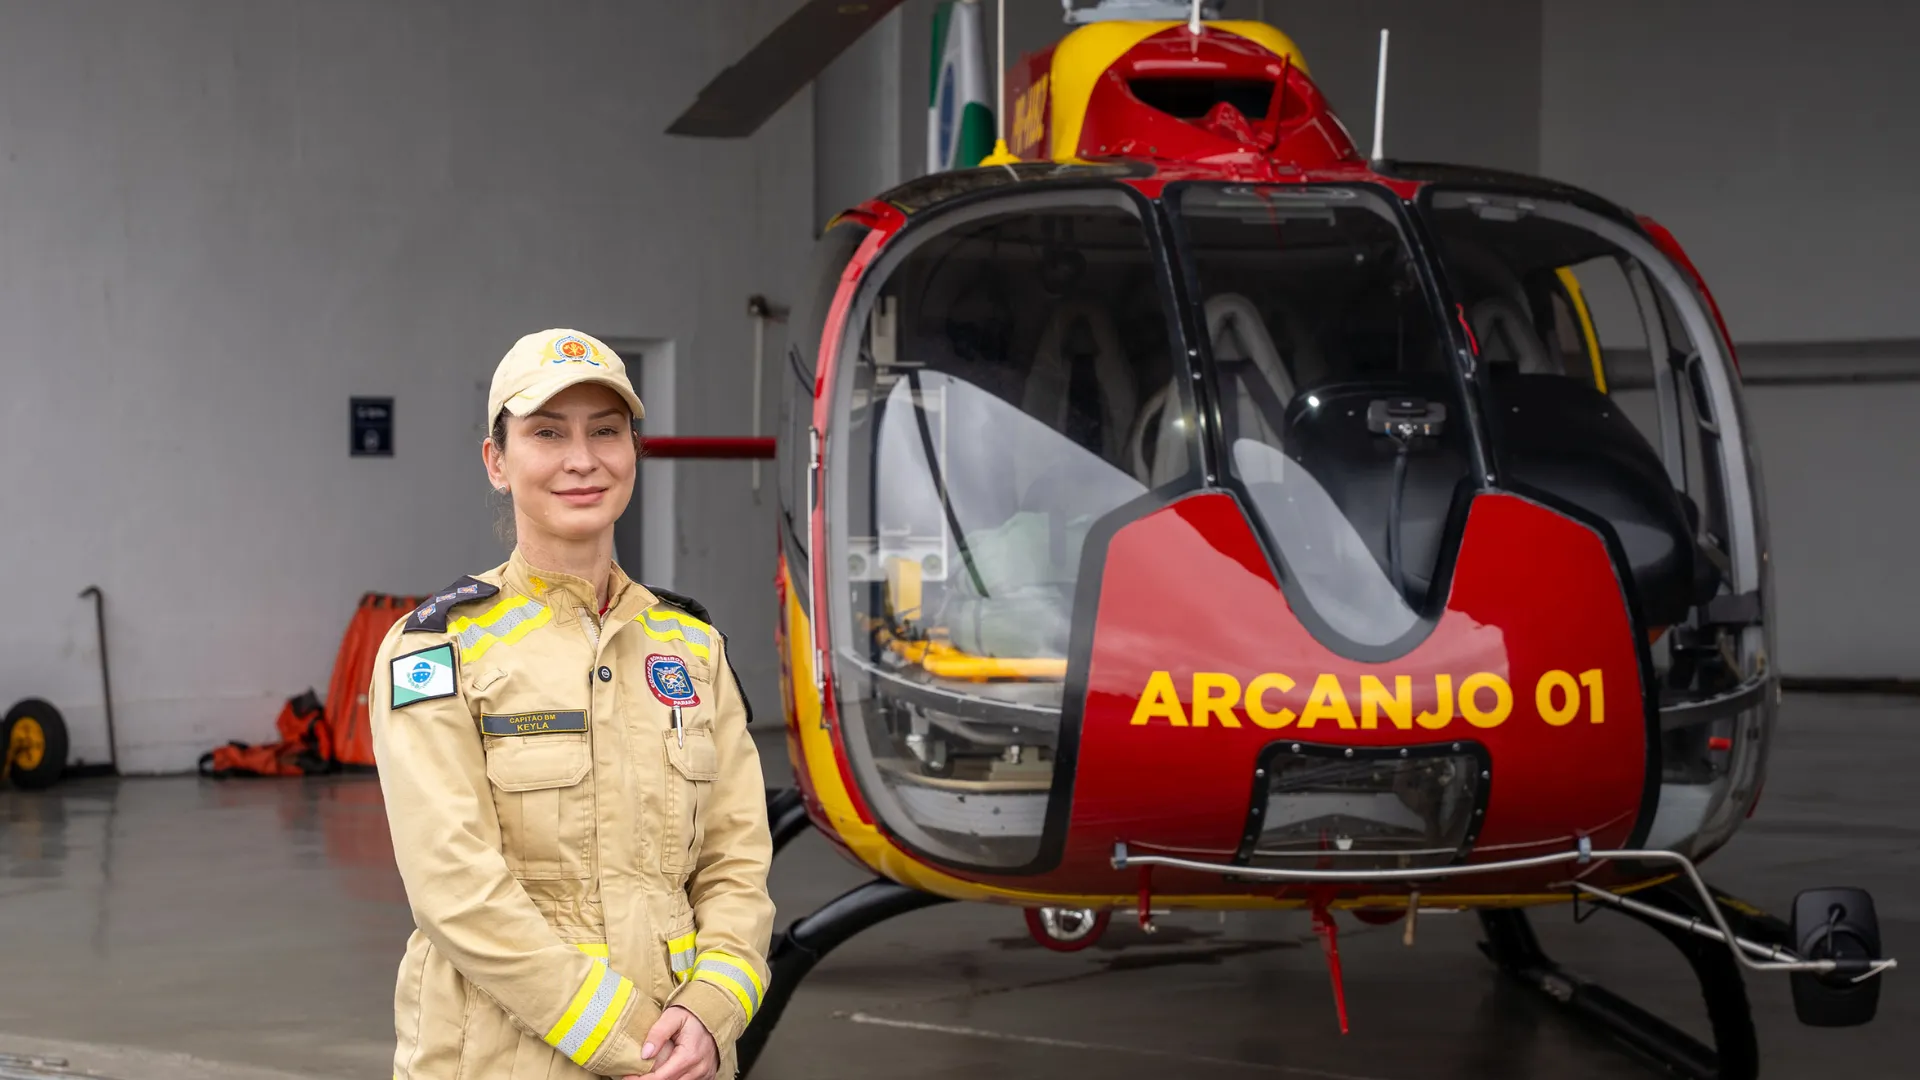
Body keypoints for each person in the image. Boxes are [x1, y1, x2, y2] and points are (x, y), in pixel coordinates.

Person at [368, 328, 774, 1080]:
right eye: (547, 433)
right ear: (497, 461)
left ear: (634, 452)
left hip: (679, 1060)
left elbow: (736, 860)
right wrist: (632, 1042)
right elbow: (453, 888)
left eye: (606, 432)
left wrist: (713, 1007)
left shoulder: (689, 648)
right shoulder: (435, 649)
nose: (581, 459)